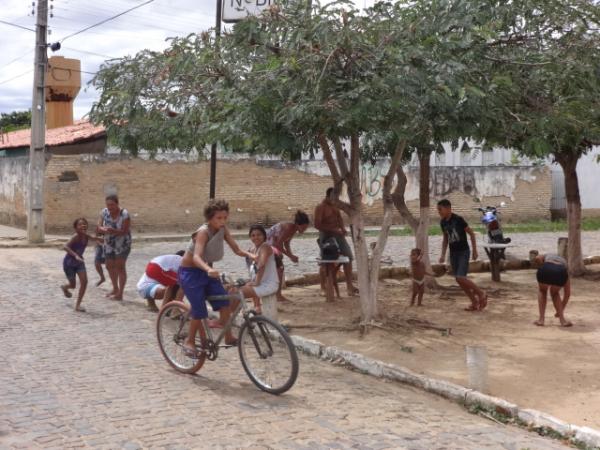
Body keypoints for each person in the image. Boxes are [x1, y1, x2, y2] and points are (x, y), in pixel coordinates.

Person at [178, 199, 256, 356]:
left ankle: (228, 337)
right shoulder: (203, 232)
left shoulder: (223, 229)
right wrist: (208, 268)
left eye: (225, 218)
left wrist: (250, 255)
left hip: (205, 271)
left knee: (224, 302)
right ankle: (190, 341)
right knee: (199, 308)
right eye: (218, 218)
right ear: (209, 218)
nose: (222, 221)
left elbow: (236, 248)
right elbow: (197, 258)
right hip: (190, 272)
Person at [437, 199, 488, 311]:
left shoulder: (458, 220)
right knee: (459, 279)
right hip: (453, 253)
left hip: (463, 252)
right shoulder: (443, 222)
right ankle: (474, 302)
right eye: (438, 210)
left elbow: (471, 234)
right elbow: (445, 239)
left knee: (460, 277)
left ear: (448, 208)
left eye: (440, 209)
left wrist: (475, 251)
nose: (439, 212)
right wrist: (442, 254)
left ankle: (481, 293)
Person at [314, 188, 358, 297]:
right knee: (325, 261)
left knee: (348, 257)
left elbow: (339, 219)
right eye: (333, 197)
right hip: (326, 236)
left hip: (338, 235)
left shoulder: (335, 206)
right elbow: (317, 225)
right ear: (328, 196)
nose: (335, 199)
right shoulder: (320, 207)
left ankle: (349, 287)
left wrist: (342, 229)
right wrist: (332, 230)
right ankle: (323, 287)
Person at [266, 210, 310, 303]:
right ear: (298, 224)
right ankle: (278, 295)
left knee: (278, 269)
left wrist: (291, 255)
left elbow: (286, 243)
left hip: (273, 246)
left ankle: (276, 293)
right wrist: (290, 256)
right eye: (304, 227)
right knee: (279, 269)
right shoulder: (289, 228)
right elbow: (278, 244)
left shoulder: (293, 229)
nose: (305, 230)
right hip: (268, 246)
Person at [61, 218, 103, 312]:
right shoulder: (75, 237)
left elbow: (92, 238)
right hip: (69, 263)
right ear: (76, 228)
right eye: (80, 224)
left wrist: (98, 239)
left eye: (84, 224)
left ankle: (78, 305)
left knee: (84, 282)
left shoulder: (86, 236)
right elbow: (65, 246)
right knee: (73, 285)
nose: (83, 226)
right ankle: (65, 287)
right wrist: (75, 255)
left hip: (79, 263)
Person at [235, 225, 279, 314]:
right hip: (260, 283)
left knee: (236, 293)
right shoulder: (252, 249)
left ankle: (229, 316)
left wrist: (257, 282)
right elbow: (240, 253)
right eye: (253, 235)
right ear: (250, 237)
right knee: (232, 288)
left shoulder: (265, 247)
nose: (256, 237)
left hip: (268, 284)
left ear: (264, 236)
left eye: (259, 235)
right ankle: (256, 307)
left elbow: (261, 265)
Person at [97, 195, 131, 301]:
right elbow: (98, 226)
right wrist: (102, 229)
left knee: (120, 267)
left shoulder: (125, 214)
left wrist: (113, 231)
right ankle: (115, 288)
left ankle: (120, 293)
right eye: (108, 205)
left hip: (122, 244)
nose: (110, 207)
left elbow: (125, 231)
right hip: (109, 244)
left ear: (117, 204)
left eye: (112, 204)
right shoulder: (104, 212)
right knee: (109, 265)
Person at [533, 253, 572, 327]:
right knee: (554, 293)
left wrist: (541, 265)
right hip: (560, 272)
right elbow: (567, 294)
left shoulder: (548, 255)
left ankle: (541, 320)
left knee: (542, 291)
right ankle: (562, 321)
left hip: (545, 269)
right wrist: (561, 309)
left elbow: (537, 258)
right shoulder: (565, 264)